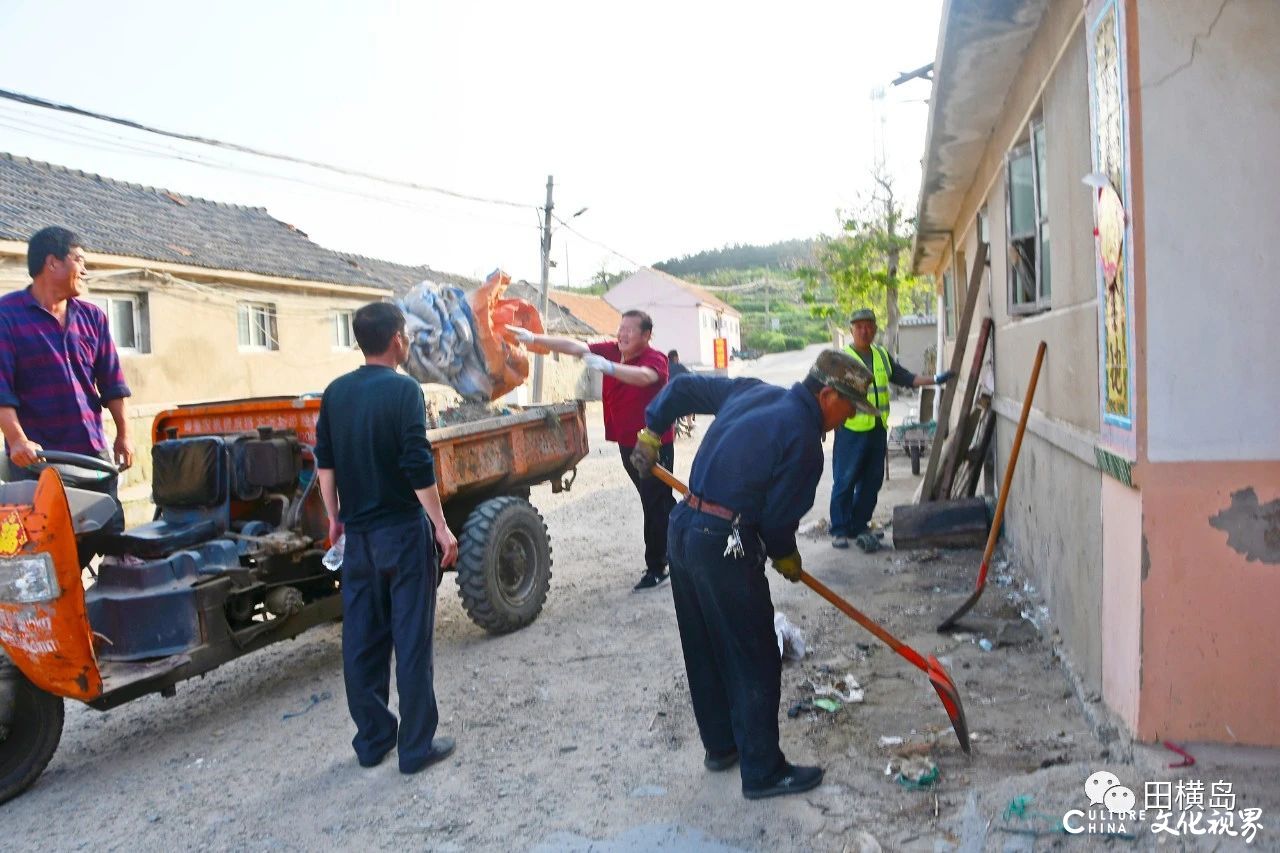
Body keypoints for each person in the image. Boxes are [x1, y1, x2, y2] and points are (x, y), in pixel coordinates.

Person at [628, 349, 878, 800]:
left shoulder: (753, 391)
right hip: (725, 543)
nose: (846, 419)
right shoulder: (804, 442)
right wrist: (786, 556)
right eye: (848, 408)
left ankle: (722, 747)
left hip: (683, 531)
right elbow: (778, 521)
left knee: (703, 645)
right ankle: (763, 770)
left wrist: (650, 431)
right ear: (827, 395)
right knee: (754, 656)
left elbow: (682, 388)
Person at [315, 301, 460, 774]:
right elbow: (417, 464)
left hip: (358, 538)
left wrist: (334, 518)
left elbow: (326, 461)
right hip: (401, 531)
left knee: (362, 641)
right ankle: (416, 748)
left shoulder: (336, 393)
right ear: (396, 339)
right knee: (411, 640)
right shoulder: (405, 392)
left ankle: (373, 739)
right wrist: (439, 525)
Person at [507, 311, 675, 591]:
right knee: (658, 501)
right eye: (620, 329)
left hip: (653, 445)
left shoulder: (654, 359)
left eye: (630, 331)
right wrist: (534, 338)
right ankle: (690, 538)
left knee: (654, 501)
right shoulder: (611, 349)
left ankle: (658, 566)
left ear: (646, 336)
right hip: (626, 442)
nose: (622, 335)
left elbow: (645, 377)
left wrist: (610, 368)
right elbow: (574, 346)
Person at [0, 227, 132, 531]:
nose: (85, 270)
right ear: (52, 263)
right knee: (49, 545)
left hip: (91, 454)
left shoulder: (93, 317)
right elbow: (2, 389)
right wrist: (17, 440)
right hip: (39, 460)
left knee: (111, 533)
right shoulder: (7, 316)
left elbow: (112, 381)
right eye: (79, 260)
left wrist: (124, 433)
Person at [830, 308, 955, 552]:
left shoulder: (881, 355)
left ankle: (858, 525)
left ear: (875, 329)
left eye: (869, 326)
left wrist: (937, 379)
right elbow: (828, 394)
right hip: (850, 430)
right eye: (859, 327)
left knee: (872, 481)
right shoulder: (842, 358)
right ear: (851, 331)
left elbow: (906, 378)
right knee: (844, 481)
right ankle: (839, 529)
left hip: (877, 430)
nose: (864, 331)